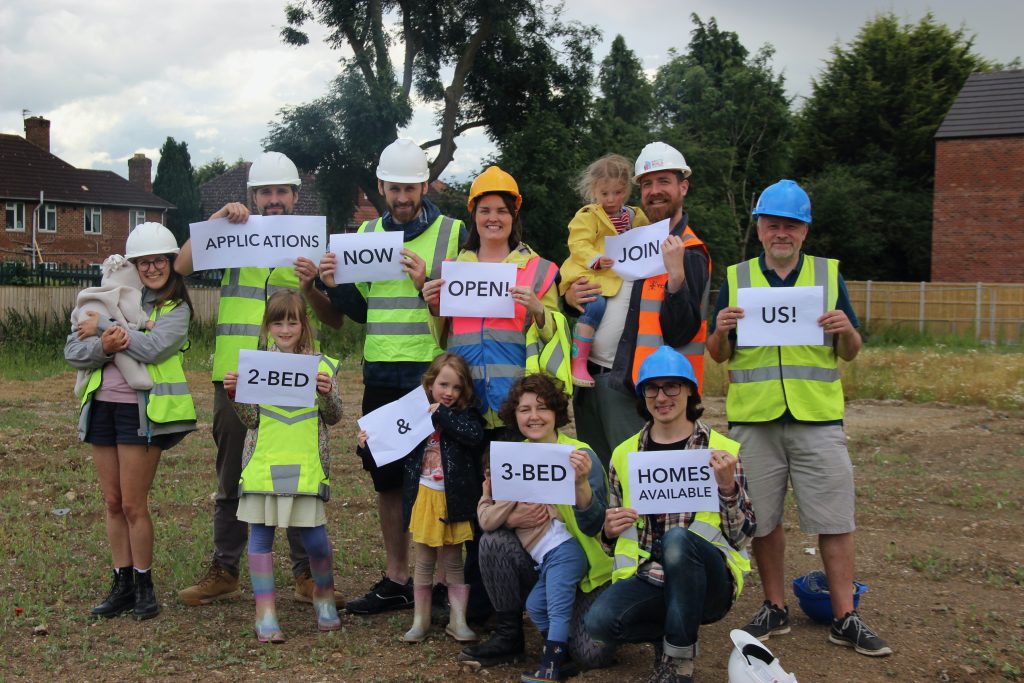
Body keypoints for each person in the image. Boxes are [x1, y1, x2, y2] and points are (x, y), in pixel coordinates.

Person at [706, 179, 891, 657]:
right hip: (755, 421)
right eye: (772, 224)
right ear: (761, 229)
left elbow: (850, 353)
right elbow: (717, 354)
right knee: (763, 520)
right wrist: (722, 330)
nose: (781, 233)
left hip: (817, 418)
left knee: (835, 519)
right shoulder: (739, 277)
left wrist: (847, 328)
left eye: (791, 225)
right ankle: (774, 607)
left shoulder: (828, 277)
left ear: (805, 231)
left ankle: (844, 615)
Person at [175, 151, 343, 607]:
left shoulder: (312, 245)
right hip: (235, 376)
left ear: (294, 196)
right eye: (265, 192)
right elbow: (182, 265)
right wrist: (215, 219)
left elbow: (335, 321)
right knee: (234, 474)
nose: (273, 200)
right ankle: (225, 568)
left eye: (281, 192)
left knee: (294, 469)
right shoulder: (232, 234)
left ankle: (306, 575)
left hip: (294, 378)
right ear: (254, 196)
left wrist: (310, 287)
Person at [319, 138, 465, 614]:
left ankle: (442, 583)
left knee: (438, 476)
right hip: (381, 371)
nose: (402, 197)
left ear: (425, 185)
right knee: (385, 481)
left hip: (432, 374)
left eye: (410, 188)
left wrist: (426, 280)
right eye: (394, 188)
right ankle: (397, 578)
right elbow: (360, 310)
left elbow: (464, 303)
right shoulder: (366, 237)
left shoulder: (452, 233)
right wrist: (330, 284)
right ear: (380, 187)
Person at [584, 346, 756, 683]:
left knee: (678, 539)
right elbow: (613, 544)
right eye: (652, 388)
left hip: (710, 583)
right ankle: (668, 636)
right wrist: (608, 530)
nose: (661, 397)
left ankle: (678, 666)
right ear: (642, 395)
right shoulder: (625, 454)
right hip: (650, 576)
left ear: (690, 390)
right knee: (599, 623)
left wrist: (727, 490)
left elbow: (743, 535)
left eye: (671, 386)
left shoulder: (720, 451)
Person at [64, 222, 197, 621]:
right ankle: (121, 584)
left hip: (142, 412)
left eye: (159, 260)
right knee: (112, 502)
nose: (152, 268)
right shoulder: (111, 296)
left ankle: (144, 586)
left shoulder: (175, 309)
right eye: (144, 262)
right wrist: (104, 345)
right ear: (134, 265)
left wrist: (104, 330)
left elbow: (153, 348)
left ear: (172, 263)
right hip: (102, 407)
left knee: (134, 504)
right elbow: (74, 349)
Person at [565, 142, 711, 470]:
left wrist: (675, 278)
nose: (654, 191)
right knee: (599, 478)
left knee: (632, 479)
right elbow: (591, 279)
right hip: (591, 379)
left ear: (683, 187)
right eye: (647, 184)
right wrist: (571, 297)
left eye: (664, 182)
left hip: (634, 388)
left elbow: (683, 329)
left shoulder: (689, 250)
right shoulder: (624, 234)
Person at [459, 374, 613, 675]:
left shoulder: (581, 455)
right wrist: (512, 520)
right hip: (539, 561)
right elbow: (491, 516)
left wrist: (580, 485)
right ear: (513, 415)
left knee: (591, 656)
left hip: (585, 568)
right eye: (524, 409)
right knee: (492, 541)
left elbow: (597, 526)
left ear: (556, 412)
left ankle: (578, 630)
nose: (533, 417)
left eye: (542, 408)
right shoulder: (511, 458)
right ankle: (510, 636)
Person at [223, 290, 342, 642]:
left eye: (292, 321)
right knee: (260, 539)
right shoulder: (256, 365)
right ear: (268, 325)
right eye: (278, 321)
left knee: (316, 540)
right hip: (263, 464)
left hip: (306, 466)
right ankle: (266, 612)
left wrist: (326, 392)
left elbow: (334, 417)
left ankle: (324, 597)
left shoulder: (322, 365)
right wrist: (235, 394)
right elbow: (251, 420)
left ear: (304, 323)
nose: (286, 328)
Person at [421, 165, 562, 440]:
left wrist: (539, 310)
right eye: (485, 210)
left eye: (502, 210)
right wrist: (434, 307)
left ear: (514, 215)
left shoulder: (539, 270)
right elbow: (442, 338)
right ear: (474, 215)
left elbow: (555, 338)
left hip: (519, 403)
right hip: (463, 401)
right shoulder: (451, 271)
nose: (493, 218)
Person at [361, 352, 484, 643]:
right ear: (430, 384)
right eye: (443, 385)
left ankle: (458, 620)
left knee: (453, 560)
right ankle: (420, 620)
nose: (449, 393)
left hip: (453, 500)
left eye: (456, 387)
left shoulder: (464, 416)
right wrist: (368, 446)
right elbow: (393, 449)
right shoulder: (416, 417)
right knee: (425, 560)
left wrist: (442, 414)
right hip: (424, 497)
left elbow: (474, 436)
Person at [560, 153, 649, 388]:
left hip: (617, 277)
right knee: (595, 305)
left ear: (627, 190)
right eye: (605, 193)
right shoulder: (588, 216)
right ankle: (578, 360)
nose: (611, 199)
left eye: (618, 192)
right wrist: (595, 259)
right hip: (590, 273)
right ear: (594, 191)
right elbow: (578, 244)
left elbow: (647, 240)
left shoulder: (634, 216)